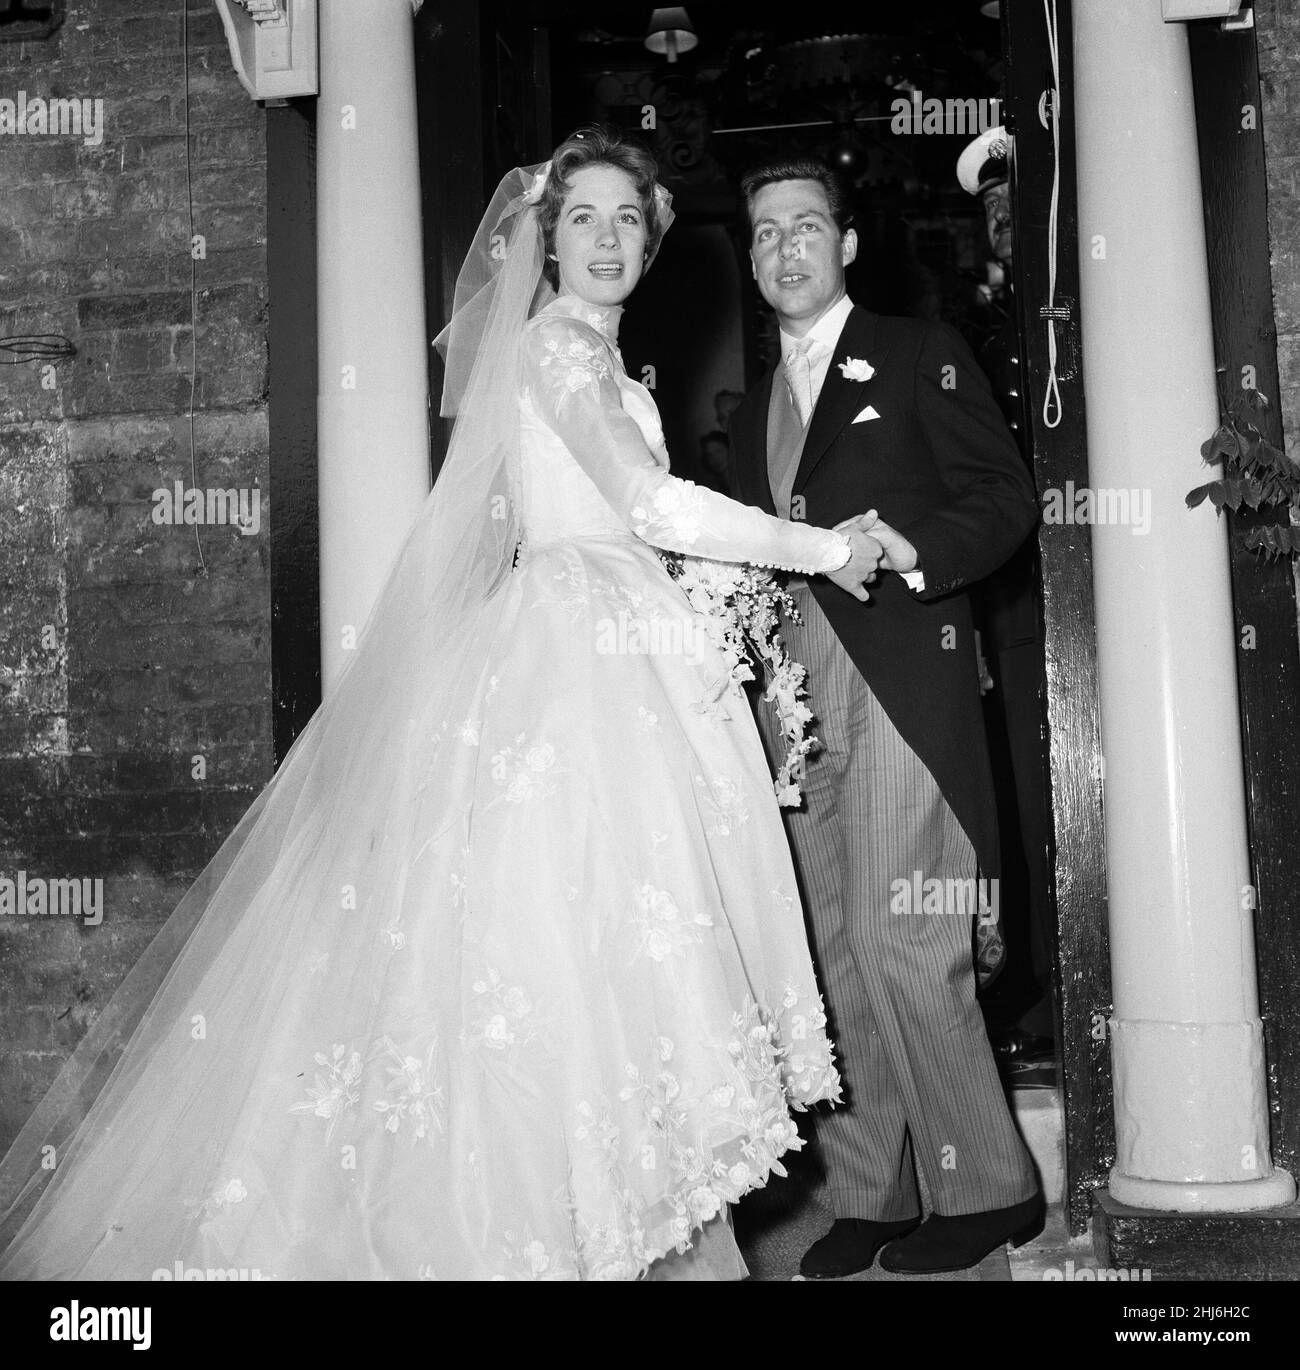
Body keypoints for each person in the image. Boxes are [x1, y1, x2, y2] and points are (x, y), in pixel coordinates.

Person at [0, 128, 887, 1282]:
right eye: (584, 219)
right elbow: (647, 501)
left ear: (654, 237)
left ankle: (613, 1224)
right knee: (578, 945)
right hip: (583, 657)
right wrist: (818, 545)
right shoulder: (561, 350)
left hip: (609, 637)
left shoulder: (593, 359)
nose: (609, 239)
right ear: (547, 240)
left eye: (629, 218)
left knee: (605, 950)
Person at [726, 155, 1044, 1277]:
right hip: (793, 701)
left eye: (805, 226)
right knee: (827, 951)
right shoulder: (749, 403)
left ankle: (989, 1185)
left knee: (909, 936)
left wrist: (921, 554)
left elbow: (1005, 497)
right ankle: (871, 1187)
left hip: (907, 678)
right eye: (764, 235)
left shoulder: (918, 353)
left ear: (847, 243)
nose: (785, 250)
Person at [956, 125, 1055, 1068]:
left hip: (1089, 589)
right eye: (987, 213)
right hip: (1013, 603)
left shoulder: (1076, 322)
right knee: (1023, 805)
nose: (1000, 226)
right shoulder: (978, 340)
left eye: (1013, 209)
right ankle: (1035, 990)